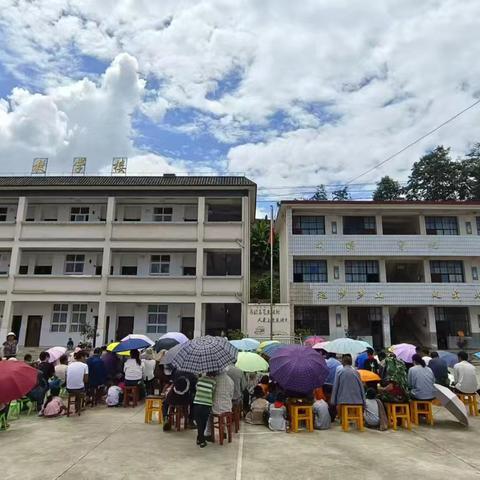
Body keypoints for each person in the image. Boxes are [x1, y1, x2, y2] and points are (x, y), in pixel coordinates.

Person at [204, 370, 234, 440]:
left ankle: (208, 433)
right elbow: (231, 395)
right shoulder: (231, 380)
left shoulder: (214, 379)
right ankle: (224, 432)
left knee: (208, 413)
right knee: (222, 415)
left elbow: (210, 393)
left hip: (216, 407)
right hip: (228, 407)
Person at [193, 373, 216, 448]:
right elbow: (213, 393)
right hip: (207, 404)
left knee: (199, 422)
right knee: (203, 422)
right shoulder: (213, 381)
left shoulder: (199, 380)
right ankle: (201, 440)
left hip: (197, 403)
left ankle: (199, 438)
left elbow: (196, 389)